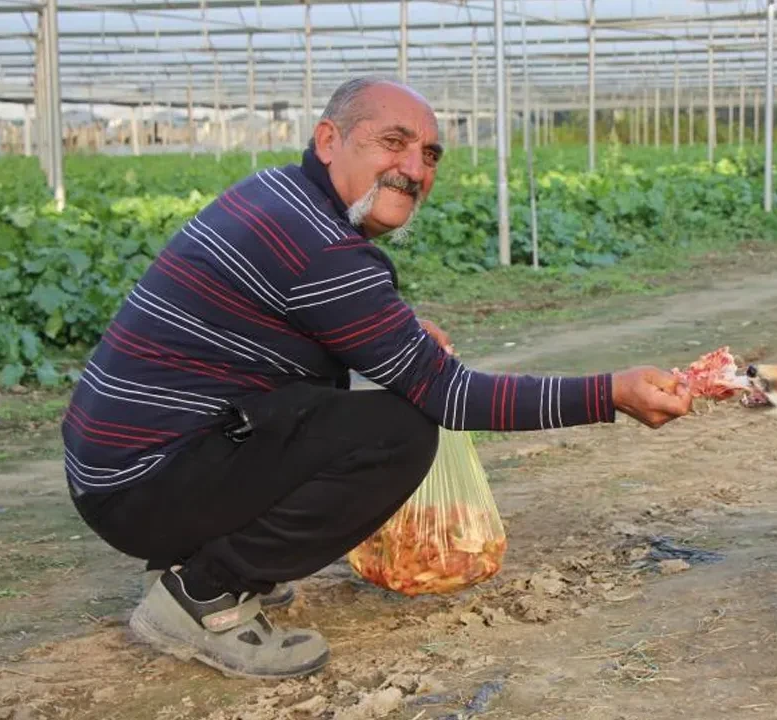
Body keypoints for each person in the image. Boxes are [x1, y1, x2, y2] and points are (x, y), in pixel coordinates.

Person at [63, 76, 694, 680]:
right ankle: (203, 594)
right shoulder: (320, 246)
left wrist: (396, 339)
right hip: (140, 484)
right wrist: (608, 392)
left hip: (123, 465)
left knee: (352, 397)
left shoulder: (281, 196)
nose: (415, 170)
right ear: (329, 140)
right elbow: (452, 394)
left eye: (430, 155)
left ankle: (190, 555)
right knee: (400, 431)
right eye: (392, 143)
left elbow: (289, 329)